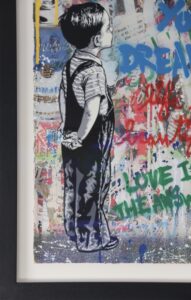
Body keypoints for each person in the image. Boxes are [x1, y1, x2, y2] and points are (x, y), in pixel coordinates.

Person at [58, 2, 118, 252]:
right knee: (92, 189)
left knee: (74, 185)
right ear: (96, 40)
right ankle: (91, 240)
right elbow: (92, 109)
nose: (112, 31)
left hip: (71, 136)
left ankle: (72, 231)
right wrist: (82, 137)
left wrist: (66, 127)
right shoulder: (94, 70)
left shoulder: (71, 64)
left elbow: (63, 96)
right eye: (108, 28)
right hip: (89, 140)